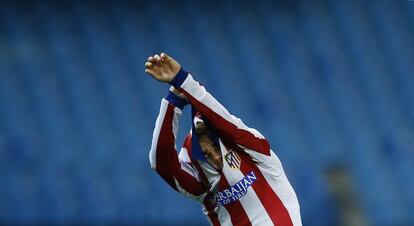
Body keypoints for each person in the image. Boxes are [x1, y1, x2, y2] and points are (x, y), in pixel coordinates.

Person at [146, 53, 302, 226]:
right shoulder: (202, 185)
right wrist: (173, 101)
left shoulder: (255, 149)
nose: (210, 152)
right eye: (204, 150)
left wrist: (184, 81)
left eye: (212, 144)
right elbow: (161, 162)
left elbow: (225, 122)